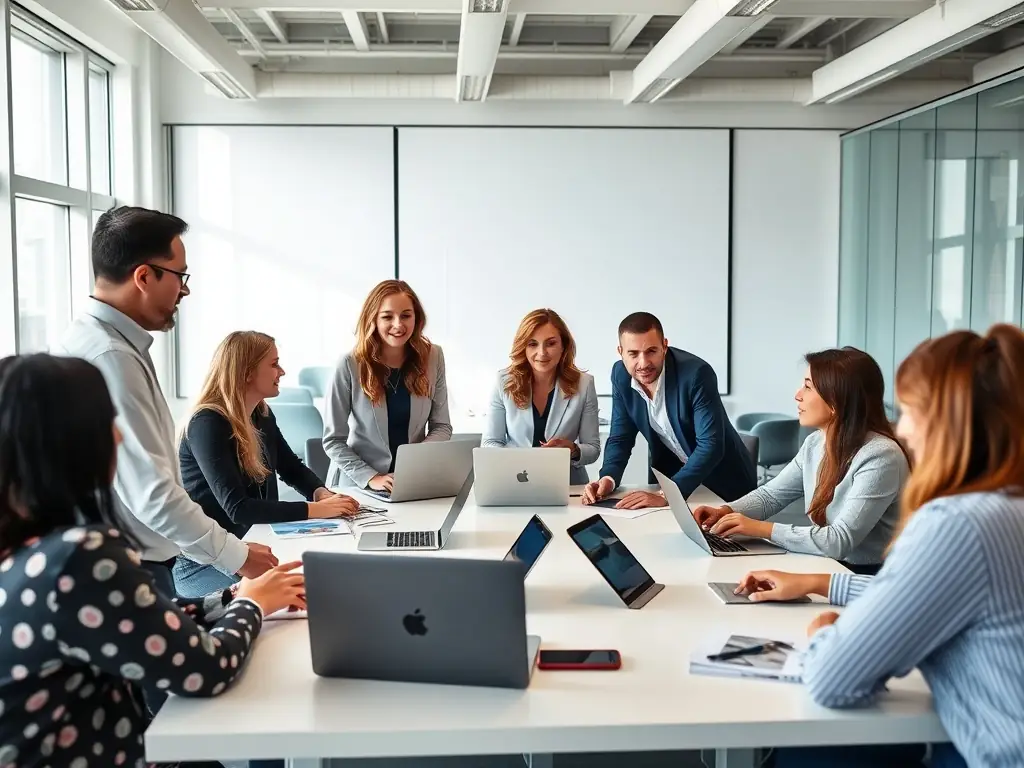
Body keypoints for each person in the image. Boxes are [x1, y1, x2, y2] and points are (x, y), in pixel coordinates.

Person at [734, 325, 1024, 768]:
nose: (903, 431)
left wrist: (823, 633)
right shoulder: (1005, 508)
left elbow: (833, 679)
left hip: (987, 756)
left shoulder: (955, 522)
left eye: (910, 412)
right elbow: (932, 593)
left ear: (948, 424)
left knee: (807, 750)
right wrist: (821, 584)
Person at [0, 354, 306, 768]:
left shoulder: (31, 546)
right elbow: (207, 669)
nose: (121, 439)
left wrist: (235, 595)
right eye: (110, 421)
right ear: (71, 440)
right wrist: (253, 606)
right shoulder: (76, 557)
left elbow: (139, 618)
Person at [56, 206, 277, 599]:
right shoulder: (111, 356)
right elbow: (153, 494)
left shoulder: (107, 343)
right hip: (132, 567)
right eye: (180, 275)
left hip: (143, 560)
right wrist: (236, 556)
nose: (185, 290)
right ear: (144, 276)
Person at [175, 331, 362, 597]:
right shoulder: (207, 423)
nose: (282, 371)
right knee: (303, 595)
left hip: (254, 548)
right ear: (247, 372)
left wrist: (321, 493)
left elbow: (290, 467)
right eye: (274, 364)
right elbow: (238, 509)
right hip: (205, 565)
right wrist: (316, 510)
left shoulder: (260, 412)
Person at [692, 348, 909, 574]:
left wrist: (759, 529)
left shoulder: (881, 456)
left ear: (836, 401)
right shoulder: (816, 443)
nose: (798, 395)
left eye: (808, 386)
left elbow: (839, 541)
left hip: (869, 576)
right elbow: (771, 496)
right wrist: (726, 511)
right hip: (829, 563)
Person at [582, 312, 756, 509]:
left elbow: (711, 445)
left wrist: (668, 494)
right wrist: (608, 477)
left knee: (721, 540)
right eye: (633, 353)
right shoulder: (620, 375)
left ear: (665, 346)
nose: (643, 363)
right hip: (674, 480)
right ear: (620, 351)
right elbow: (621, 437)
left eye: (651, 351)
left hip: (724, 484)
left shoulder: (696, 374)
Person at [323, 280, 452, 492]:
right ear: (373, 318)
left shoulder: (433, 356)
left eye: (406, 315)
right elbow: (333, 440)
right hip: (359, 486)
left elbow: (442, 426)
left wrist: (415, 462)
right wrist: (372, 477)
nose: (398, 325)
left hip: (412, 482)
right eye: (387, 316)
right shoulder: (350, 363)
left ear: (416, 318)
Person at [482, 308, 600, 485]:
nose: (542, 353)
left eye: (551, 343)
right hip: (515, 482)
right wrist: (520, 461)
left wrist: (573, 449)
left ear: (563, 346)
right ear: (523, 347)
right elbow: (491, 443)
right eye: (533, 344)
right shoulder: (504, 381)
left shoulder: (584, 384)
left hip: (567, 485)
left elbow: (593, 449)